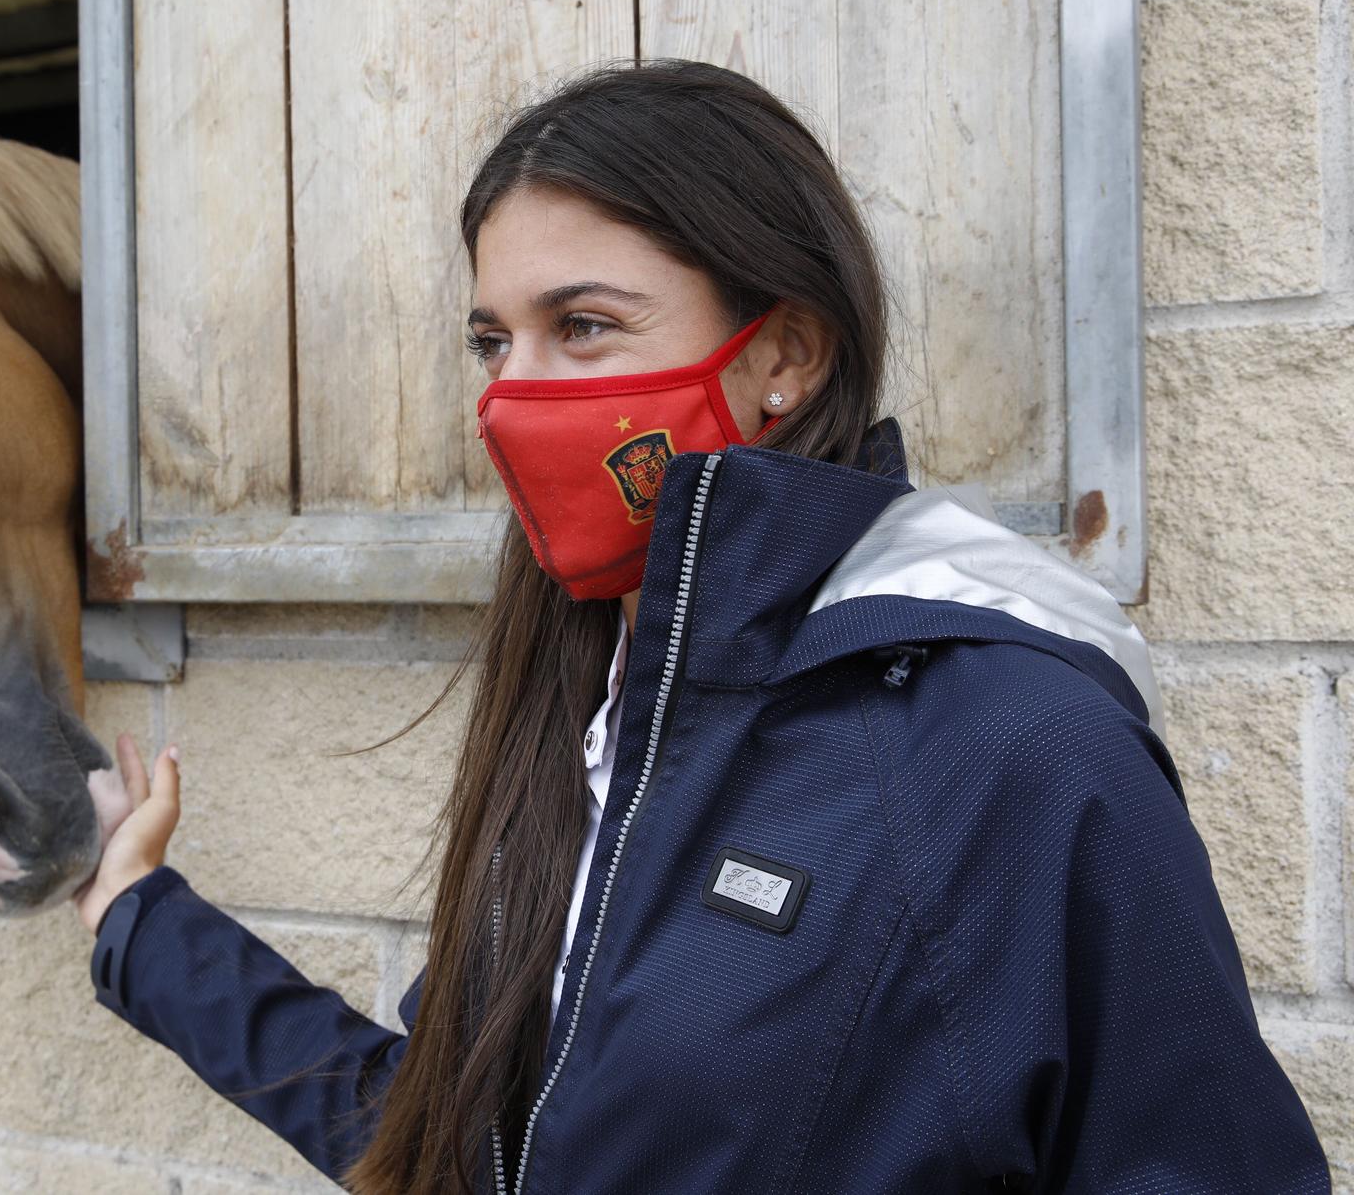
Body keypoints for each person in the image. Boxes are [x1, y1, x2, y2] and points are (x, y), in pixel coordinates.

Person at [70, 60, 1330, 1194]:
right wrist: (139, 922)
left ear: (782, 351)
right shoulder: (588, 709)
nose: (511, 397)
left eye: (583, 327)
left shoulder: (1014, 743)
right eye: (490, 340)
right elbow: (465, 1145)